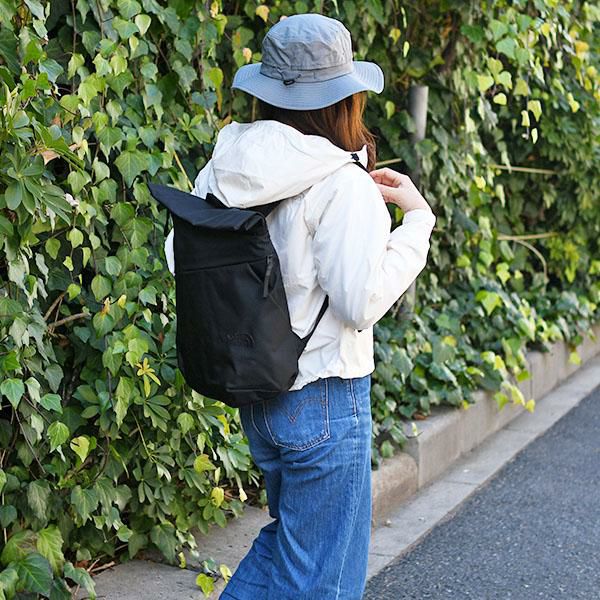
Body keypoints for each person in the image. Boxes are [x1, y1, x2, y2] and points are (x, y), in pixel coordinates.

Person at [164, 12, 435, 600]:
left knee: (290, 544)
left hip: (258, 392)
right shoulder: (340, 182)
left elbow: (178, 255)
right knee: (323, 578)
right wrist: (416, 222)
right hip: (325, 397)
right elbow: (359, 301)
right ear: (345, 100)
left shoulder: (227, 165)